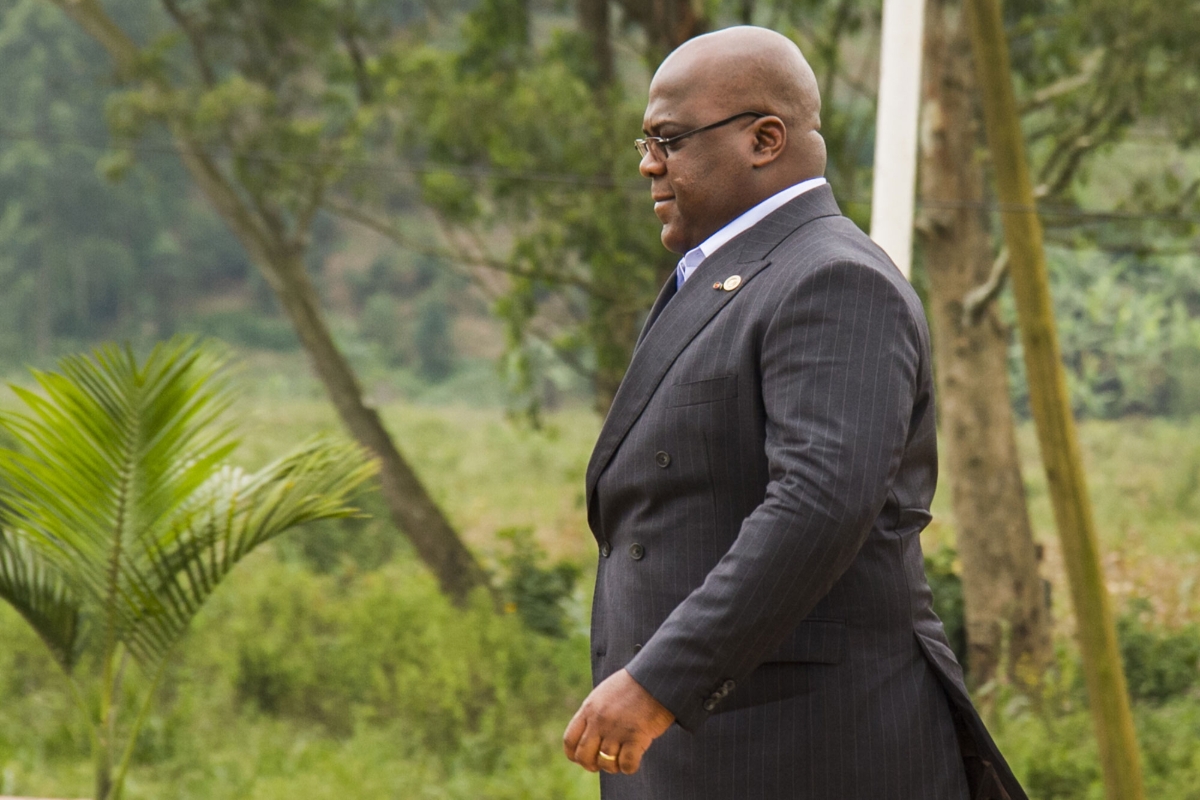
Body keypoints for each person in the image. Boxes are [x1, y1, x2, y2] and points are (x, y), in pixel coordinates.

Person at [562, 25, 1027, 800]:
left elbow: (819, 503)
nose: (649, 162)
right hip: (708, 753)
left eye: (669, 139)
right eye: (645, 141)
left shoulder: (834, 280)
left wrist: (660, 682)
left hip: (808, 751)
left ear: (764, 139)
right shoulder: (727, 276)